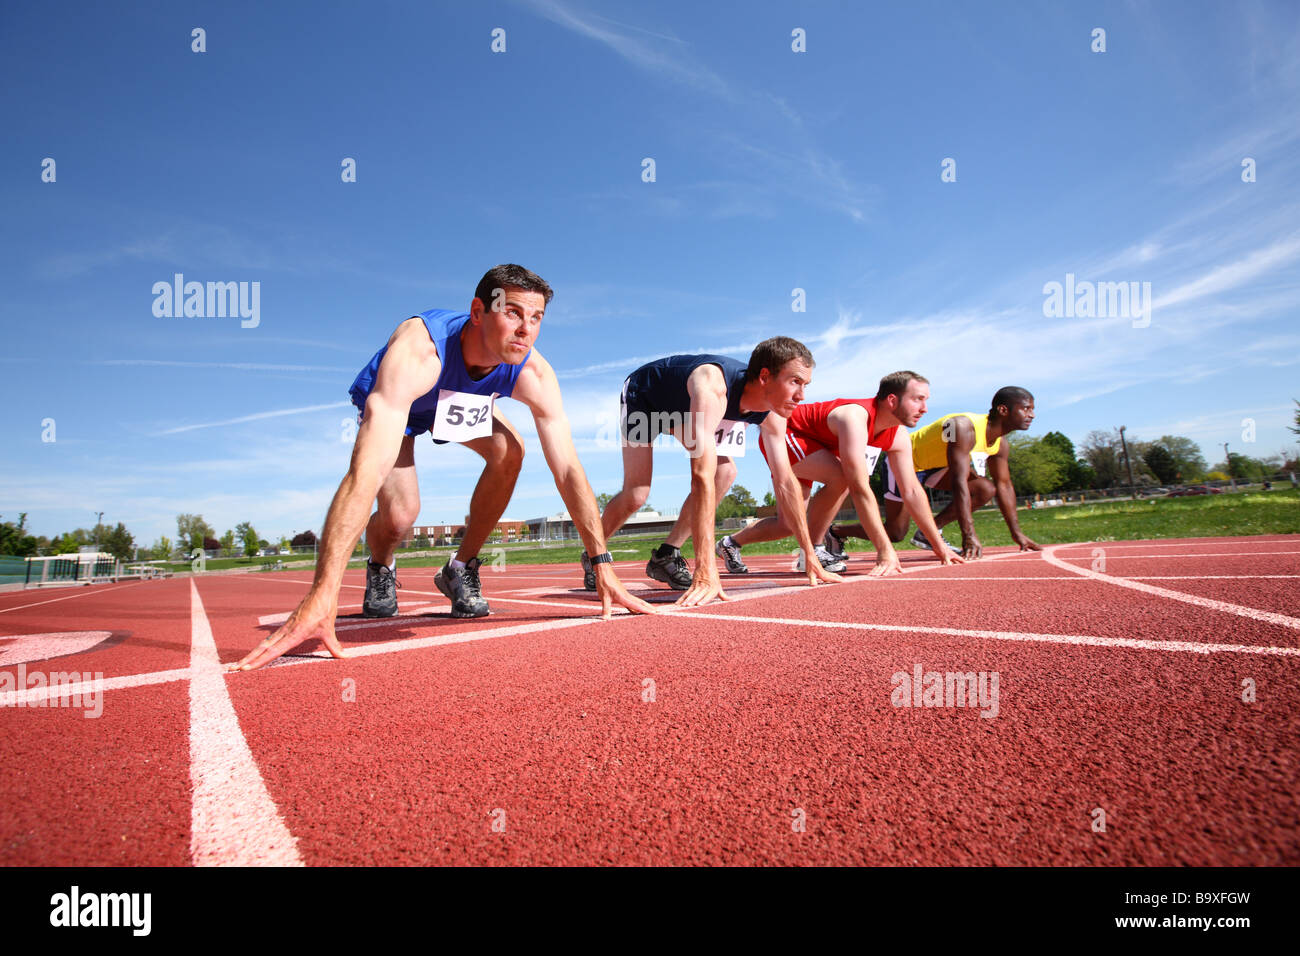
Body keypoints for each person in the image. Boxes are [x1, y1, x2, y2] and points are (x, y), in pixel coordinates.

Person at [232, 265, 654, 671]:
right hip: (404, 399)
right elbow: (365, 473)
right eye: (512, 313)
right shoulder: (419, 351)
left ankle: (459, 568)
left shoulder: (534, 371)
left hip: (454, 403)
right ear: (477, 312)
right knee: (400, 516)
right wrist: (322, 595)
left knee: (511, 451)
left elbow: (568, 469)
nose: (526, 329)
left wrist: (602, 564)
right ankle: (381, 567)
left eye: (537, 318)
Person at [584, 339, 842, 607]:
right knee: (637, 493)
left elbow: (786, 481)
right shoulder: (713, 389)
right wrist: (706, 569)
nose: (801, 395)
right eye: (795, 382)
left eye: (805, 385)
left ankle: (666, 555)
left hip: (685, 409)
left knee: (725, 472)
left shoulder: (773, 413)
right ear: (765, 376)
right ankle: (593, 552)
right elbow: (700, 476)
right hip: (646, 398)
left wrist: (809, 553)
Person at [718, 371, 964, 575]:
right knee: (845, 478)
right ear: (892, 400)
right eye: (918, 399)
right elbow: (859, 488)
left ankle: (730, 543)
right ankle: (813, 550)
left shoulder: (898, 436)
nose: (925, 408)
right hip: (788, 433)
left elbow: (912, 490)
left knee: (788, 524)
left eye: (926, 400)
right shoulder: (854, 417)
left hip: (818, 447)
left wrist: (939, 545)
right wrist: (884, 549)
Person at [833, 386, 1041, 560]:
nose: (1031, 415)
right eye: (1026, 409)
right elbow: (959, 482)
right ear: (1003, 410)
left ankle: (927, 533)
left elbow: (1004, 486)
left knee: (985, 489)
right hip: (904, 463)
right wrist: (968, 535)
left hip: (935, 469)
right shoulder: (962, 426)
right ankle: (836, 531)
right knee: (896, 532)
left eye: (1032, 409)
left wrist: (1018, 534)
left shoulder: (1000, 444)